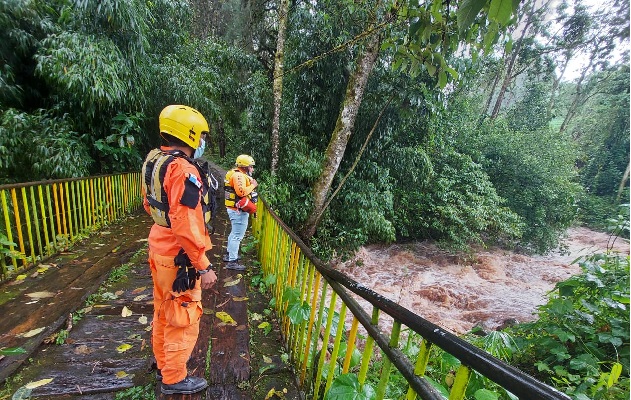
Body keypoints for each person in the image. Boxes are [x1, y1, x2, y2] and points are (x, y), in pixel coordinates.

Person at [141, 105, 218, 395]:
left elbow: (149, 203)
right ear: (190, 134)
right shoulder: (183, 169)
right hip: (179, 255)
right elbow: (185, 223)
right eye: (201, 136)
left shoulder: (155, 160)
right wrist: (204, 266)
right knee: (182, 316)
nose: (202, 142)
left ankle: (163, 364)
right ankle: (173, 378)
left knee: (163, 309)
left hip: (158, 244)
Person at [223, 154, 258, 271]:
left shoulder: (235, 173)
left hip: (234, 209)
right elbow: (241, 192)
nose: (252, 169)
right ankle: (232, 261)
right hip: (238, 211)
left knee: (234, 233)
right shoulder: (239, 176)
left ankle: (229, 255)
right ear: (245, 167)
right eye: (251, 167)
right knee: (237, 236)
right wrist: (253, 185)